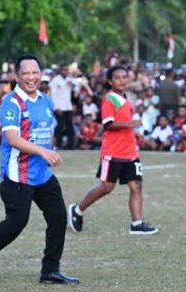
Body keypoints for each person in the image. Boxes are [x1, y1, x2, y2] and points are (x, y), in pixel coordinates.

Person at [0, 54, 78, 286]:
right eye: (25, 73)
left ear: (41, 74)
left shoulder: (46, 101)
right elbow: (13, 138)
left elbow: (47, 131)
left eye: (35, 72)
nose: (31, 77)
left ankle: (50, 270)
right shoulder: (11, 103)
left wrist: (47, 150)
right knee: (16, 223)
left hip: (42, 175)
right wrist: (43, 152)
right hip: (18, 176)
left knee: (58, 217)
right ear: (17, 76)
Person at [68, 65, 158, 236]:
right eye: (117, 77)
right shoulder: (109, 98)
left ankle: (137, 224)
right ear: (110, 81)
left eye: (125, 77)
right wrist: (130, 124)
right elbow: (108, 123)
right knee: (107, 187)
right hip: (113, 152)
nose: (122, 80)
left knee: (136, 186)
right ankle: (78, 210)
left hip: (130, 152)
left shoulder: (126, 100)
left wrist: (136, 134)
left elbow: (125, 124)